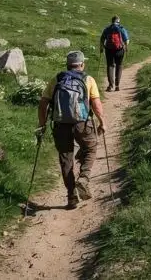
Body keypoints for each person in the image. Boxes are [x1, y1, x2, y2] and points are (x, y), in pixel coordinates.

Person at [37, 50, 106, 209]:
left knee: (65, 157)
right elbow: (96, 104)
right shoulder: (88, 79)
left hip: (60, 123)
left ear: (67, 65)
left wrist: (42, 124)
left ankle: (71, 196)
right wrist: (102, 122)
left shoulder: (57, 79)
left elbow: (43, 104)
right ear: (82, 64)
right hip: (82, 123)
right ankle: (84, 178)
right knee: (91, 148)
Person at [99, 16, 130, 92]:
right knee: (119, 66)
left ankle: (110, 85)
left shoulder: (107, 29)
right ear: (118, 21)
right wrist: (125, 47)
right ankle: (117, 85)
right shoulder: (121, 28)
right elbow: (127, 39)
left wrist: (101, 48)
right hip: (119, 50)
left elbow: (102, 39)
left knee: (110, 66)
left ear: (112, 21)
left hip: (109, 50)